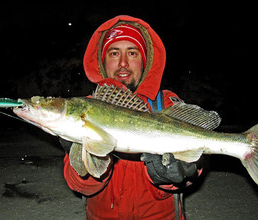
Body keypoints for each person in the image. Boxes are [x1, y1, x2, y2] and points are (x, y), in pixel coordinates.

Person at [62, 15, 199, 219]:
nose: (123, 63)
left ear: (145, 61)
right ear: (103, 61)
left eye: (132, 53)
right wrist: (85, 161)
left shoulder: (166, 104)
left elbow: (193, 168)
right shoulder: (85, 108)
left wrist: (172, 177)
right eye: (114, 53)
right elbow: (81, 186)